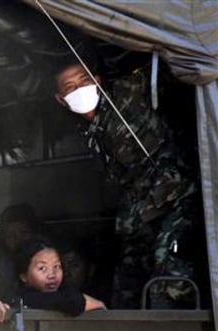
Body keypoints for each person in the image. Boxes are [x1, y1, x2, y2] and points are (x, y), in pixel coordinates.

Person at [54, 60, 200, 308]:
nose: (79, 88)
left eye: (84, 80)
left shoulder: (126, 92)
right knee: (127, 285)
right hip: (140, 214)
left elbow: (171, 68)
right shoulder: (91, 133)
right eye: (70, 86)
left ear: (97, 81)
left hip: (176, 198)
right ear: (60, 99)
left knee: (169, 273)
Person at [16, 238, 106, 316]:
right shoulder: (20, 298)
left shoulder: (65, 291)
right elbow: (72, 301)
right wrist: (89, 302)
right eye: (42, 268)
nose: (52, 275)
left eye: (57, 266)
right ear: (23, 276)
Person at [0, 203, 48, 302]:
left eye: (24, 233)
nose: (18, 240)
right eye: (11, 235)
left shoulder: (49, 259)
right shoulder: (5, 265)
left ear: (35, 234)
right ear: (4, 240)